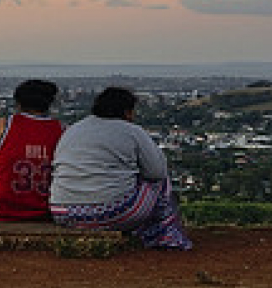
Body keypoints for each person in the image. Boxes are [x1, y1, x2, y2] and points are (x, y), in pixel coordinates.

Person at [48, 86, 191, 249]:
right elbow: (156, 172)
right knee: (161, 182)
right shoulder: (132, 131)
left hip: (62, 212)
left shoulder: (73, 129)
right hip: (112, 213)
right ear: (127, 111)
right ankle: (164, 237)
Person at [0, 79, 63, 221]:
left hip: (0, 209)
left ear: (18, 103)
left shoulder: (1, 126)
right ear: (50, 103)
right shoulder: (61, 131)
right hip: (45, 210)